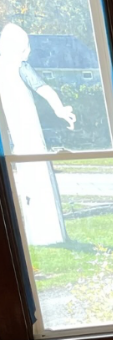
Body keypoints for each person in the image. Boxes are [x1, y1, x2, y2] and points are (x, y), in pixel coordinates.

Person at [0, 23, 76, 245]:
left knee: (28, 178)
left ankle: (41, 234)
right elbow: (44, 89)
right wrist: (60, 109)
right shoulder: (19, 66)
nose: (29, 52)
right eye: (26, 48)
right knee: (36, 175)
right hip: (26, 131)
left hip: (17, 132)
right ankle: (46, 234)